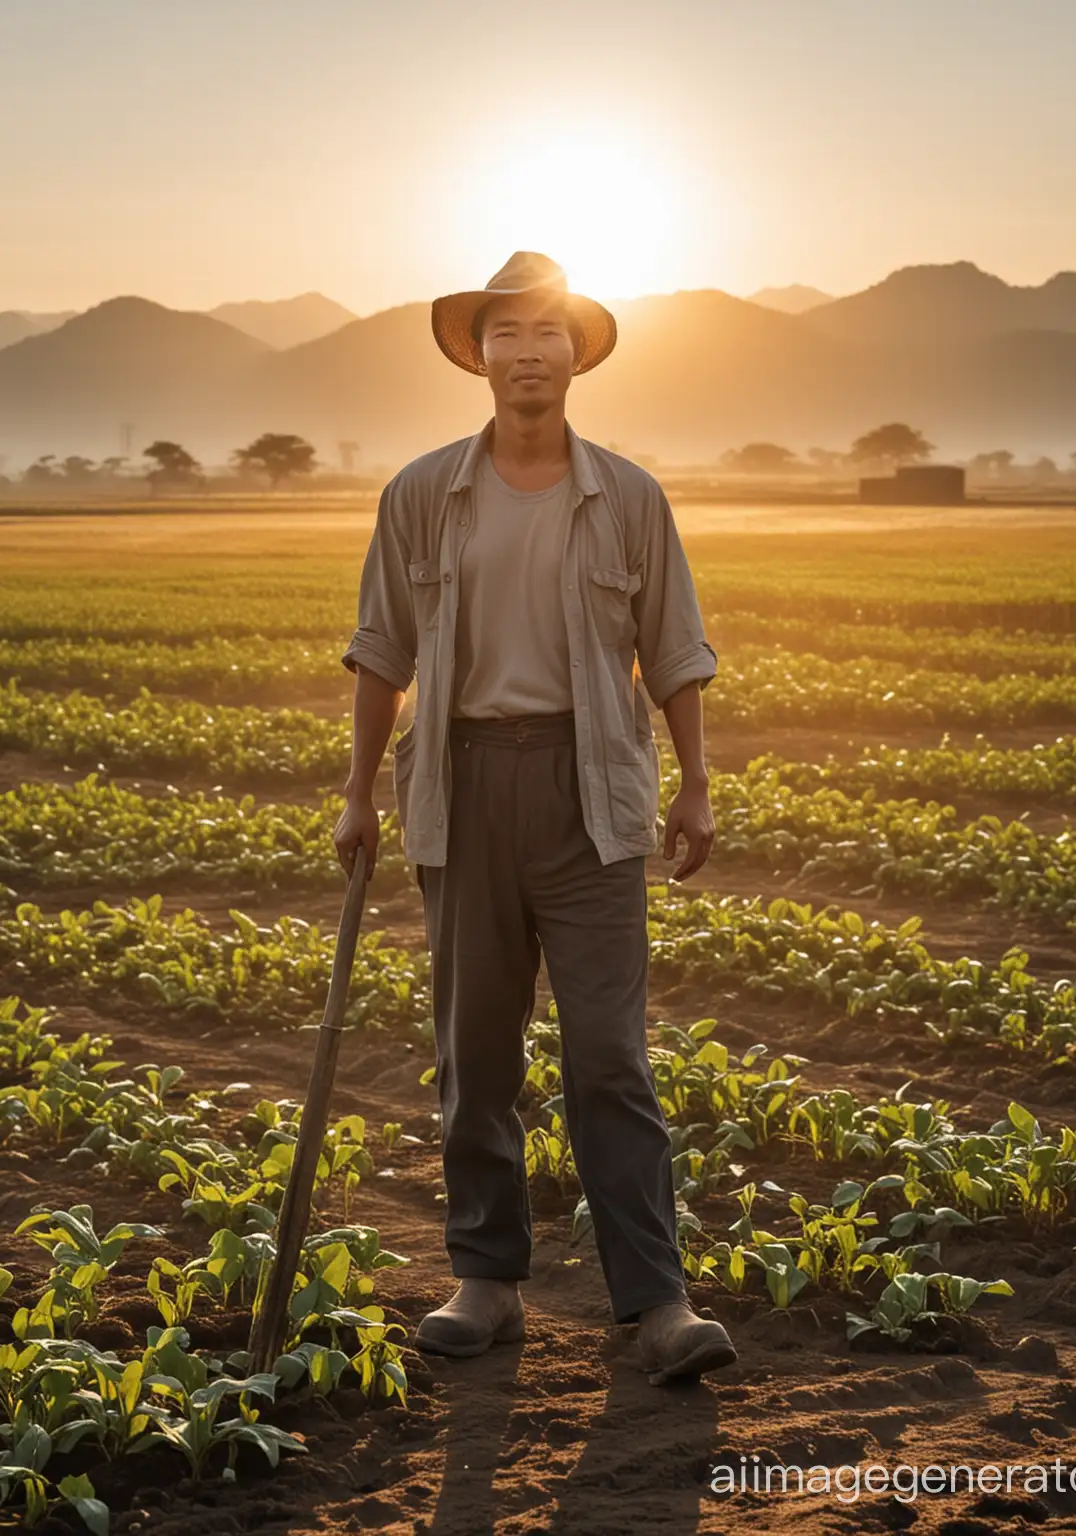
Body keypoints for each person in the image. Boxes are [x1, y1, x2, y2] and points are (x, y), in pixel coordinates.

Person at [333, 251, 737, 1384]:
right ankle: (487, 1281)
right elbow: (381, 650)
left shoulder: (628, 496)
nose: (526, 353)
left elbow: (676, 651)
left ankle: (657, 1305)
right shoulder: (421, 493)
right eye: (505, 334)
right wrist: (360, 792)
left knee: (610, 1056)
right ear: (478, 355)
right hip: (460, 788)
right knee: (476, 1051)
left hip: (590, 791)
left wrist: (696, 783)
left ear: (576, 355)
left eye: (547, 333)